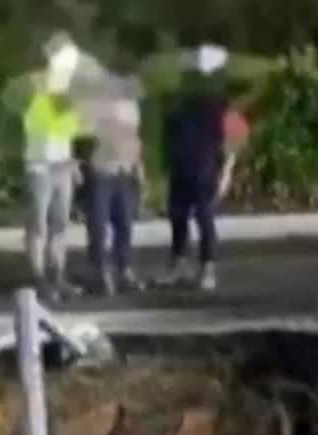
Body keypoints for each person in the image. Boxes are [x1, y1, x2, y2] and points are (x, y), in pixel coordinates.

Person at [159, 47, 233, 290]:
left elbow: (229, 141)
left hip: (204, 169)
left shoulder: (217, 106)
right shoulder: (179, 105)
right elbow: (169, 138)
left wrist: (226, 172)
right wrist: (167, 167)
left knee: (204, 218)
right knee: (178, 217)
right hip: (182, 167)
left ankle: (207, 268)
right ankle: (179, 263)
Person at [24, 64, 85, 299]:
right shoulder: (37, 106)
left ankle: (57, 274)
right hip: (41, 170)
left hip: (62, 171)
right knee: (38, 226)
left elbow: (65, 140)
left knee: (60, 225)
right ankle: (38, 277)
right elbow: (42, 145)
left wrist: (73, 166)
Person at [82, 77, 146, 294]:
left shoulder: (132, 108)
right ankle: (100, 270)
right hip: (102, 170)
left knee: (124, 224)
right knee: (98, 224)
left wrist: (138, 166)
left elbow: (135, 138)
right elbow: (84, 138)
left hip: (124, 171)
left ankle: (124, 269)